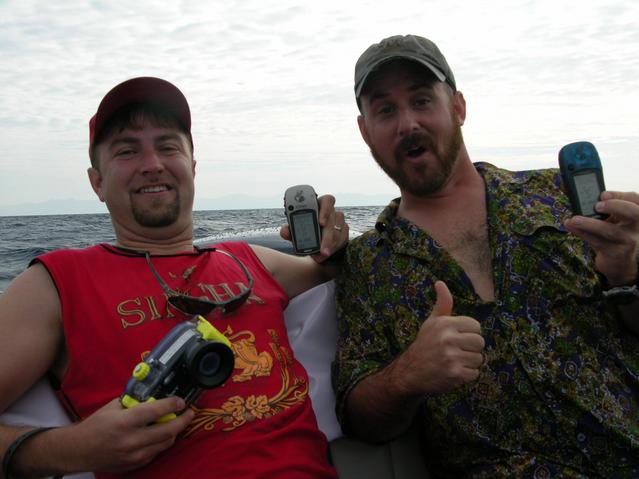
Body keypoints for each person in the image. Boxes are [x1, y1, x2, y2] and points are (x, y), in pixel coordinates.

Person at [0, 76, 348, 478]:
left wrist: (334, 239)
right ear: (97, 182)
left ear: (193, 168)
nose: (152, 164)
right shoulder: (56, 283)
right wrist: (70, 449)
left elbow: (332, 268)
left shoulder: (249, 259)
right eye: (127, 151)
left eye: (168, 146)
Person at [332, 34, 639, 478]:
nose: (408, 124)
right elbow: (359, 416)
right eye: (385, 110)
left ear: (457, 107)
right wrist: (407, 376)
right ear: (365, 132)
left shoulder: (557, 195)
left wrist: (629, 278)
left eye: (422, 100)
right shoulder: (367, 264)